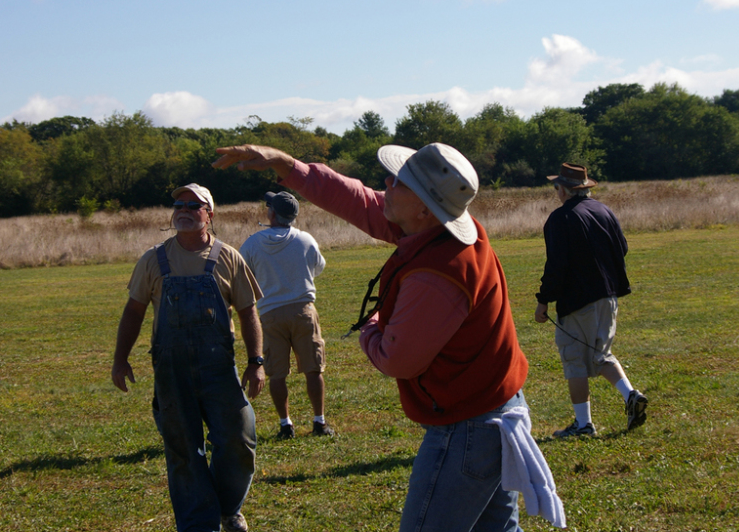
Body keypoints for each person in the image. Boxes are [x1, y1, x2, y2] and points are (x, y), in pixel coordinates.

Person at [214, 142, 563, 532]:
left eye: (400, 182)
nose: (386, 183)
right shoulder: (436, 230)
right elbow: (357, 199)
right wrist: (287, 164)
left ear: (423, 207)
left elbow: (397, 358)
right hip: (492, 410)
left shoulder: (438, 273)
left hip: (467, 427)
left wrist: (372, 326)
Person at [111, 183, 265, 532]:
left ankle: (228, 509)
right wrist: (120, 359)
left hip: (219, 371)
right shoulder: (154, 259)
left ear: (209, 214)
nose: (183, 209)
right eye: (178, 204)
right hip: (172, 373)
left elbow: (248, 313)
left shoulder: (228, 257)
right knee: (183, 452)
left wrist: (256, 362)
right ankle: (199, 524)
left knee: (240, 440)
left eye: (193, 205)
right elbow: (133, 312)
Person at [534, 163, 648, 438]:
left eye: (556, 186)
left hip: (577, 301)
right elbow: (622, 247)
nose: (555, 191)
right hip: (608, 296)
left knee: (575, 359)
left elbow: (556, 265)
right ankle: (630, 395)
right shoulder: (603, 210)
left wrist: (544, 300)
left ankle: (583, 425)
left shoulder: (561, 219)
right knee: (600, 354)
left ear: (563, 189)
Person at [238, 190, 332, 440]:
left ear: (272, 213)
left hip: (269, 314)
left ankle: (285, 424)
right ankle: (319, 422)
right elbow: (318, 268)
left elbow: (243, 275)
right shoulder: (305, 239)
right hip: (304, 311)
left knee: (277, 373)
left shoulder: (252, 242)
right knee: (314, 369)